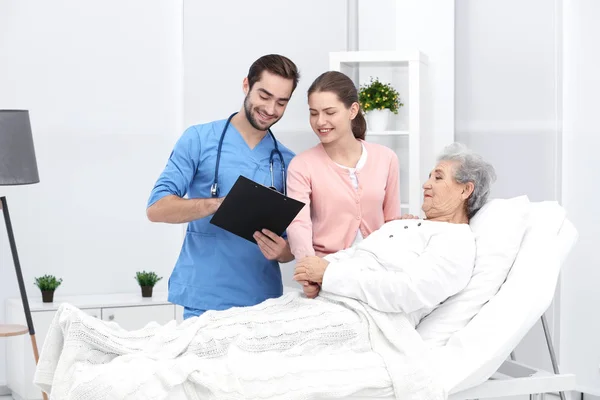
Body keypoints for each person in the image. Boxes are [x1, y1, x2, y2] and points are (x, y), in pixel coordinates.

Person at [35, 143, 496, 400]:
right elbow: (360, 263)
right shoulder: (408, 227)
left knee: (231, 346)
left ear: (465, 190)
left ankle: (115, 372)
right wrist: (322, 272)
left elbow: (411, 292)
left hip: (358, 324)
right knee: (222, 327)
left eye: (438, 177)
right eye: (430, 175)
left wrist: (328, 273)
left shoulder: (455, 243)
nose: (426, 183)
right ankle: (105, 346)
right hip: (328, 301)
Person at [146, 54, 300, 319]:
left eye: (281, 102)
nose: (271, 109)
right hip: (204, 300)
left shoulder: (288, 162)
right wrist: (217, 204)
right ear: (246, 86)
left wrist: (285, 253)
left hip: (263, 303)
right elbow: (157, 208)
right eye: (264, 96)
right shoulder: (199, 139)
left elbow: (292, 245)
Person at [286, 71, 401, 298]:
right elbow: (298, 225)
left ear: (353, 110)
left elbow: (392, 222)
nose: (320, 122)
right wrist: (309, 273)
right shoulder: (302, 165)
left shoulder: (386, 158)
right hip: (327, 272)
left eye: (330, 112)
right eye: (313, 113)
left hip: (376, 272)